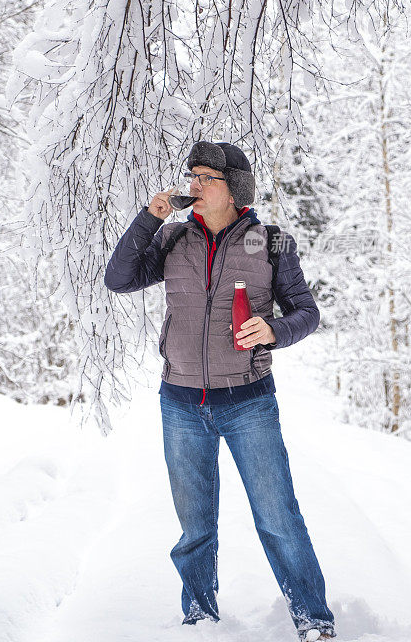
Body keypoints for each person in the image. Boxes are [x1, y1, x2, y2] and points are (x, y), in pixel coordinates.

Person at [104, 141, 336, 642]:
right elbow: (118, 279)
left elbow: (306, 312)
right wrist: (148, 219)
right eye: (193, 176)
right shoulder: (170, 240)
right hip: (181, 403)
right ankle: (199, 618)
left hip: (249, 402)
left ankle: (314, 621)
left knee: (278, 518)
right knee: (194, 527)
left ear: (235, 187)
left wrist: (274, 329)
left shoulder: (270, 242)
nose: (194, 184)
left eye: (206, 177)